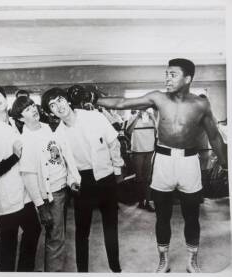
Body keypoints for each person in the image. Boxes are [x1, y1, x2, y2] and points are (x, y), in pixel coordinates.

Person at [96, 58, 228, 273]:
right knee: (162, 214)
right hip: (164, 161)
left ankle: (192, 260)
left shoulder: (201, 104)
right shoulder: (157, 97)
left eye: (173, 74)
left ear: (187, 78)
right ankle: (163, 260)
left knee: (192, 214)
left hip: (189, 163)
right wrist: (96, 99)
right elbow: (121, 103)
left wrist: (226, 166)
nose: (167, 78)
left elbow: (214, 136)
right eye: (166, 74)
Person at [41, 87, 124, 273]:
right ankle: (82, 271)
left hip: (106, 176)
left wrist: (117, 168)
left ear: (68, 100)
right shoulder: (58, 134)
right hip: (82, 181)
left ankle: (115, 267)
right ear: (50, 112)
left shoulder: (94, 117)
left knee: (111, 225)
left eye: (60, 100)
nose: (58, 107)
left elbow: (113, 142)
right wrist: (71, 181)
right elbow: (65, 164)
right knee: (81, 231)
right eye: (52, 105)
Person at [10, 96, 81, 272]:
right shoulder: (25, 140)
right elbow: (28, 175)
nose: (33, 110)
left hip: (62, 188)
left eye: (33, 106)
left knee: (58, 235)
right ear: (20, 118)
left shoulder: (48, 128)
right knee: (56, 238)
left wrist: (72, 179)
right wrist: (41, 206)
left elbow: (63, 156)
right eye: (27, 110)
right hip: (50, 195)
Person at [0, 85, 41, 272]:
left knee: (34, 230)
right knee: (9, 239)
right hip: (6, 196)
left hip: (24, 191)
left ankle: (24, 271)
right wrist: (15, 157)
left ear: (6, 99)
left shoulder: (12, 123)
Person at [126, 109, 156, 212]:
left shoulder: (152, 118)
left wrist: (153, 117)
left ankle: (147, 202)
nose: (144, 110)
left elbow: (159, 132)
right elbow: (128, 131)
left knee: (148, 178)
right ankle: (140, 202)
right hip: (138, 151)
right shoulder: (133, 117)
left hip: (150, 151)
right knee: (139, 178)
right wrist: (137, 117)